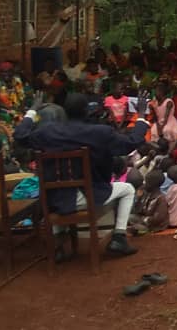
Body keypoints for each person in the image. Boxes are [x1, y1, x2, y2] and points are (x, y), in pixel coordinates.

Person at [13, 91, 150, 259]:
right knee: (127, 189)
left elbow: (19, 135)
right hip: (89, 196)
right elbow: (132, 143)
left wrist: (33, 110)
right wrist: (141, 115)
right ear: (87, 111)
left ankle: (58, 244)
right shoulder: (100, 132)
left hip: (54, 200)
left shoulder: (46, 132)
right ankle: (119, 238)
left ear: (64, 111)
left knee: (60, 191)